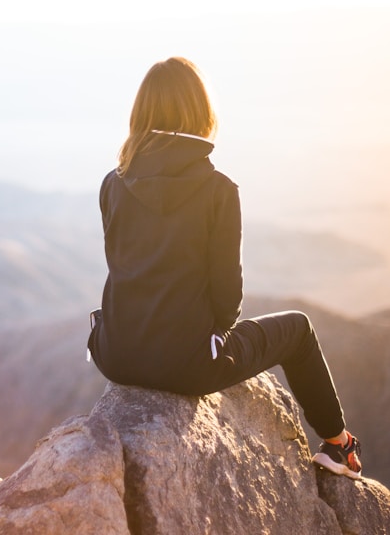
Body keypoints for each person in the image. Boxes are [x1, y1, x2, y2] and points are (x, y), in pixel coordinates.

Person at [87, 56, 362, 479]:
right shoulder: (218, 190)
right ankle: (338, 444)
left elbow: (122, 266)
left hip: (114, 353)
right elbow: (228, 302)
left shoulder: (113, 181)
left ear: (140, 113)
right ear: (201, 112)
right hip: (188, 365)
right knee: (300, 329)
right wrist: (207, 339)